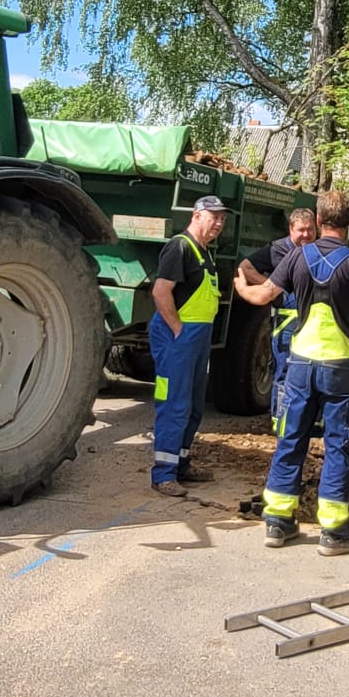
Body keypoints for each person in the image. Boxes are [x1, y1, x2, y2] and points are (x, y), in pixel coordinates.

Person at [232, 190, 349, 555]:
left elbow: (262, 295)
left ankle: (278, 523)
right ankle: (333, 532)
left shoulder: (298, 257)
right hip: (339, 368)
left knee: (290, 439)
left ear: (318, 219)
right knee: (338, 445)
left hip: (299, 364)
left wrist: (240, 286)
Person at [148, 196, 229, 497]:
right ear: (196, 216)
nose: (219, 223)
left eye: (222, 219)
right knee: (175, 405)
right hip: (178, 339)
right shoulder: (180, 247)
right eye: (214, 217)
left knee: (194, 406)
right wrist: (178, 330)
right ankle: (163, 474)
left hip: (197, 338)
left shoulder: (204, 251)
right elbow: (161, 292)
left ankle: (181, 464)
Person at [236, 206, 317, 434]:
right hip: (285, 324)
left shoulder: (315, 251)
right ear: (291, 229)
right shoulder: (278, 249)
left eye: (310, 230)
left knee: (307, 374)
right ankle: (279, 421)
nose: (306, 235)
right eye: (301, 230)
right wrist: (269, 286)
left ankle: (303, 421)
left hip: (309, 325)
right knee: (284, 372)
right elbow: (244, 267)